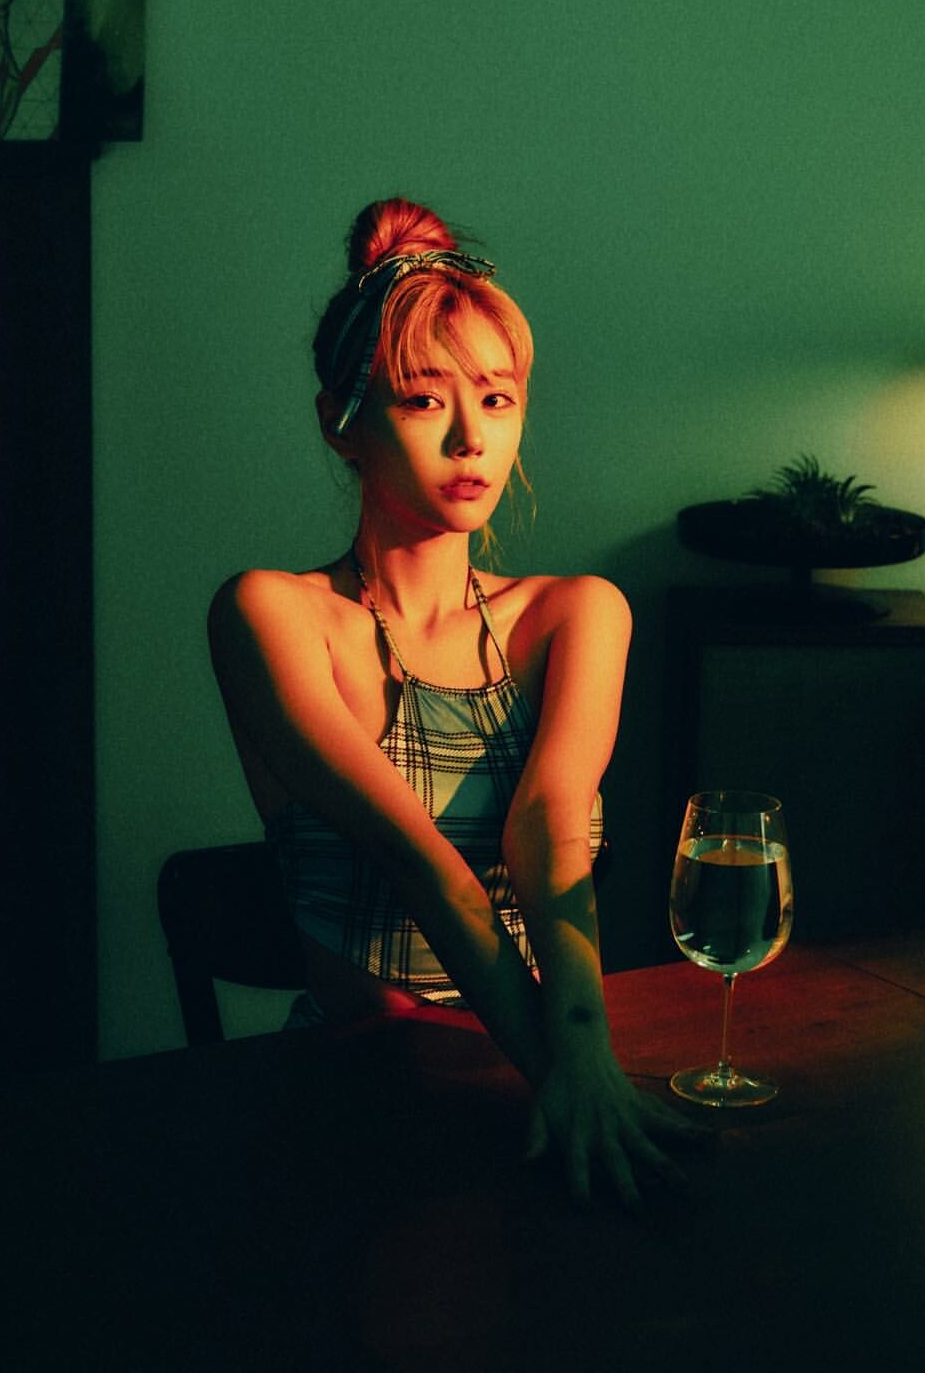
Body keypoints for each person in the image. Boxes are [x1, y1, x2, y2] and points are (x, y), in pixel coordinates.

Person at [208, 196, 697, 1205]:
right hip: (360, 1097)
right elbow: (422, 866)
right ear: (341, 424)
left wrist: (581, 1066)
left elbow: (549, 829)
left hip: (547, 1070)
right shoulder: (272, 615)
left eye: (498, 398)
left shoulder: (575, 614)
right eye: (425, 400)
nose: (473, 438)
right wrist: (570, 1077)